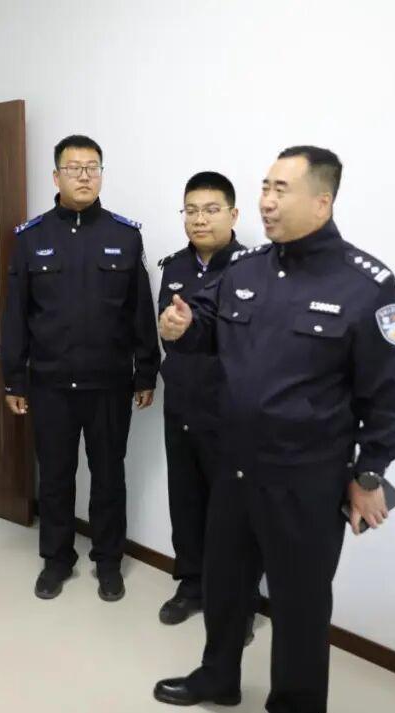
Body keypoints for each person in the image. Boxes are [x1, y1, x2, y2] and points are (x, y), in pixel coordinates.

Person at [154, 147, 395, 712]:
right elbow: (204, 326)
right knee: (225, 583)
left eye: (281, 190)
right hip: (234, 464)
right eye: (265, 187)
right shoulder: (246, 269)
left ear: (322, 201)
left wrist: (370, 473)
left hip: (307, 479)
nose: (266, 202)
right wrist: (181, 325)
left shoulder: (365, 283)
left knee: (300, 604)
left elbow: (388, 396)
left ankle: (295, 703)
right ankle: (217, 677)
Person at [0, 134, 161, 601]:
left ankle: (108, 562)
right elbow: (16, 315)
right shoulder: (31, 238)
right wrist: (14, 378)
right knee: (54, 476)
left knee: (109, 476)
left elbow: (140, 311)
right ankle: (56, 559)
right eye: (74, 168)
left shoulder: (124, 236)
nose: (84, 176)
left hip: (109, 383)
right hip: (50, 383)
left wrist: (146, 372)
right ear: (56, 177)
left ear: (102, 175)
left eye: (92, 167)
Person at [156, 171, 262, 635]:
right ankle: (191, 584)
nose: (200, 219)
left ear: (233, 214)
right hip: (182, 402)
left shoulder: (253, 268)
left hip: (231, 412)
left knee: (236, 513)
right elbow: (169, 334)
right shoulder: (174, 266)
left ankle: (240, 601)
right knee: (186, 501)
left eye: (211, 210)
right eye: (192, 210)